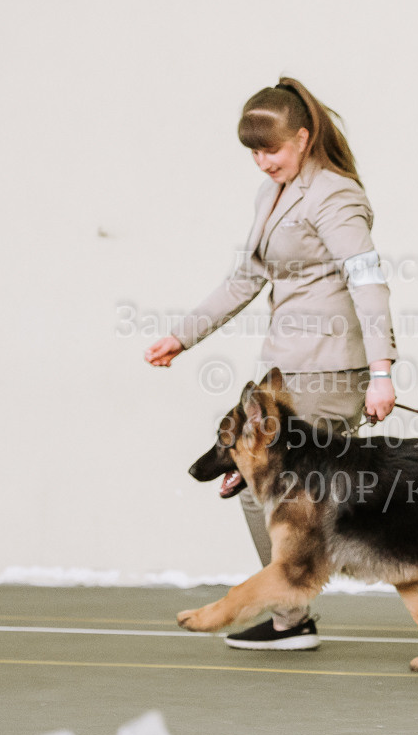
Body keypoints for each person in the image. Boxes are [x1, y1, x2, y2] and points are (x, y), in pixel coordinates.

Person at [144, 77, 399, 650]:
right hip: (288, 368)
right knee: (326, 495)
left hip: (329, 370)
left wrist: (381, 370)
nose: (262, 162)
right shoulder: (273, 193)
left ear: (303, 138)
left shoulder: (334, 196)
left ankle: (291, 617)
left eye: (272, 149)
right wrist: (183, 336)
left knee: (281, 493)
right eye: (254, 152)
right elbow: (246, 277)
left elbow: (368, 282)